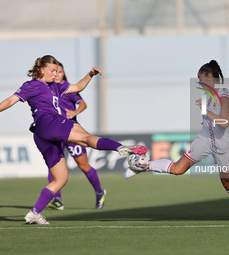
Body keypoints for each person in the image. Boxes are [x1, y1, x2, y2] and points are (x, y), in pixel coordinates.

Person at [0, 55, 147, 224]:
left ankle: (34, 213)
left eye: (57, 71)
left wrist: (90, 75)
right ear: (41, 69)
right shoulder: (31, 85)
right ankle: (121, 148)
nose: (55, 74)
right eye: (52, 71)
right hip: (50, 122)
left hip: (41, 135)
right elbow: (11, 100)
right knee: (86, 138)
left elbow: (78, 87)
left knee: (61, 179)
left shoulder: (56, 87)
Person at [125, 60, 229, 221]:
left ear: (210, 76)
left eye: (201, 78)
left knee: (227, 182)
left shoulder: (224, 94)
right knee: (177, 169)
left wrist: (205, 111)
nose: (199, 82)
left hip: (224, 143)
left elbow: (224, 122)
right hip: (205, 139)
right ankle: (143, 166)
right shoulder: (207, 96)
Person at [46, 62, 105, 211]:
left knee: (83, 165)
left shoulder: (67, 88)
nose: (57, 74)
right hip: (55, 133)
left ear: (63, 73)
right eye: (55, 71)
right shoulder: (47, 89)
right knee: (53, 164)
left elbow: (83, 104)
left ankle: (99, 192)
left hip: (72, 132)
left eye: (60, 71)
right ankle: (57, 200)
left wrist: (75, 112)